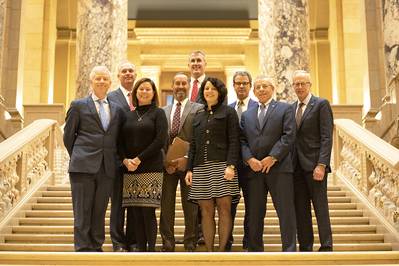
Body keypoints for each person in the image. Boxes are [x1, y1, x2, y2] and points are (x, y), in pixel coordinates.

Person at [63, 65, 124, 252]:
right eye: (98, 78)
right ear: (91, 82)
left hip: (107, 167)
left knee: (100, 210)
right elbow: (68, 136)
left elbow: (118, 137)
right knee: (82, 209)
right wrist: (79, 156)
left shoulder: (117, 109)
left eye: (105, 78)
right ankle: (82, 247)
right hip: (82, 166)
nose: (101, 81)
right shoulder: (78, 105)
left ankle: (96, 246)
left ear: (110, 83)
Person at [240, 76, 297, 252]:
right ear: (254, 91)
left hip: (279, 169)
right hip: (254, 171)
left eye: (265, 86)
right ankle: (255, 250)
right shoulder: (246, 114)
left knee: (285, 212)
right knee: (255, 213)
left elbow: (288, 136)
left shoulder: (285, 109)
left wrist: (272, 157)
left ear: (273, 89)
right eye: (258, 87)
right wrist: (249, 159)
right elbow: (242, 140)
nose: (261, 89)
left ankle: (289, 249)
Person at [185, 77, 240, 252]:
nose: (209, 91)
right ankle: (209, 252)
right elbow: (193, 144)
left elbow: (234, 140)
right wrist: (189, 169)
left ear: (220, 92)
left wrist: (231, 165)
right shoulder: (198, 115)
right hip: (201, 168)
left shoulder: (229, 112)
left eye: (213, 89)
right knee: (206, 212)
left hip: (223, 166)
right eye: (206, 88)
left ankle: (222, 251)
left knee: (224, 209)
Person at [118, 77, 168, 252]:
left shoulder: (158, 113)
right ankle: (140, 250)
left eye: (148, 89)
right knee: (135, 213)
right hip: (130, 169)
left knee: (148, 211)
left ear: (153, 93)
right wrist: (125, 160)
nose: (144, 92)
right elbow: (120, 141)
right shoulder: (128, 115)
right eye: (141, 89)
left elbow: (160, 140)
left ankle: (151, 251)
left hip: (151, 167)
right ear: (135, 93)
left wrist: (139, 159)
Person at [160, 73, 203, 252]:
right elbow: (159, 139)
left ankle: (190, 242)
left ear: (188, 86)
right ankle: (167, 243)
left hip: (189, 166)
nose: (180, 86)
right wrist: (165, 161)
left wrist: (187, 160)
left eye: (183, 83)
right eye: (176, 83)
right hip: (167, 167)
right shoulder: (163, 111)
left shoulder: (198, 109)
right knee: (166, 206)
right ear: (172, 86)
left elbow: (200, 138)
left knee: (191, 207)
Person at [292, 70, 334, 252]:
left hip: (315, 166)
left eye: (303, 83)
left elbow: (327, 136)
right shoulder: (291, 107)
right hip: (296, 168)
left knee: (320, 207)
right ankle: (305, 246)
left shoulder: (321, 104)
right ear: (293, 86)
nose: (299, 87)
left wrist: (322, 164)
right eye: (296, 84)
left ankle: (326, 245)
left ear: (310, 85)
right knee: (301, 210)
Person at [107, 61, 137, 252]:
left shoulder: (143, 95)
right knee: (118, 204)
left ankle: (133, 241)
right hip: (118, 160)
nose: (127, 74)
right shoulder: (110, 98)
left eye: (131, 71)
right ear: (118, 76)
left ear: (135, 75)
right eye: (124, 71)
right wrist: (122, 158)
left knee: (135, 203)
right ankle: (118, 242)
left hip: (139, 161)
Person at [226, 71, 258, 251]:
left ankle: (249, 242)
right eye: (238, 83)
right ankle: (227, 240)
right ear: (233, 85)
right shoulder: (228, 109)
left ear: (250, 85)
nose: (241, 86)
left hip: (251, 166)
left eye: (245, 83)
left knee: (252, 207)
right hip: (231, 166)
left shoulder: (258, 107)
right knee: (229, 206)